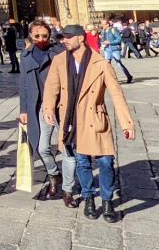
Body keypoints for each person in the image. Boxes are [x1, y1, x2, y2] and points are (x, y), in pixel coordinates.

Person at [42, 24, 137, 222]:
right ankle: (88, 198)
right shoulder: (59, 61)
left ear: (81, 39)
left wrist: (127, 123)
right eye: (62, 37)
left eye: (68, 37)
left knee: (105, 161)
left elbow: (116, 94)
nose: (64, 41)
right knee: (82, 162)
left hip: (95, 118)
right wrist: (49, 108)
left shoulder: (100, 63)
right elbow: (52, 87)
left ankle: (108, 200)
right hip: (72, 120)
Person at [20, 20, 70, 202]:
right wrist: (23, 109)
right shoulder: (26, 56)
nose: (41, 39)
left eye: (45, 36)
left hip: (60, 105)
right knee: (42, 148)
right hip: (40, 106)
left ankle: (68, 188)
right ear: (31, 36)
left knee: (66, 147)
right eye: (37, 36)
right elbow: (23, 84)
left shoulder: (59, 53)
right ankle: (54, 175)